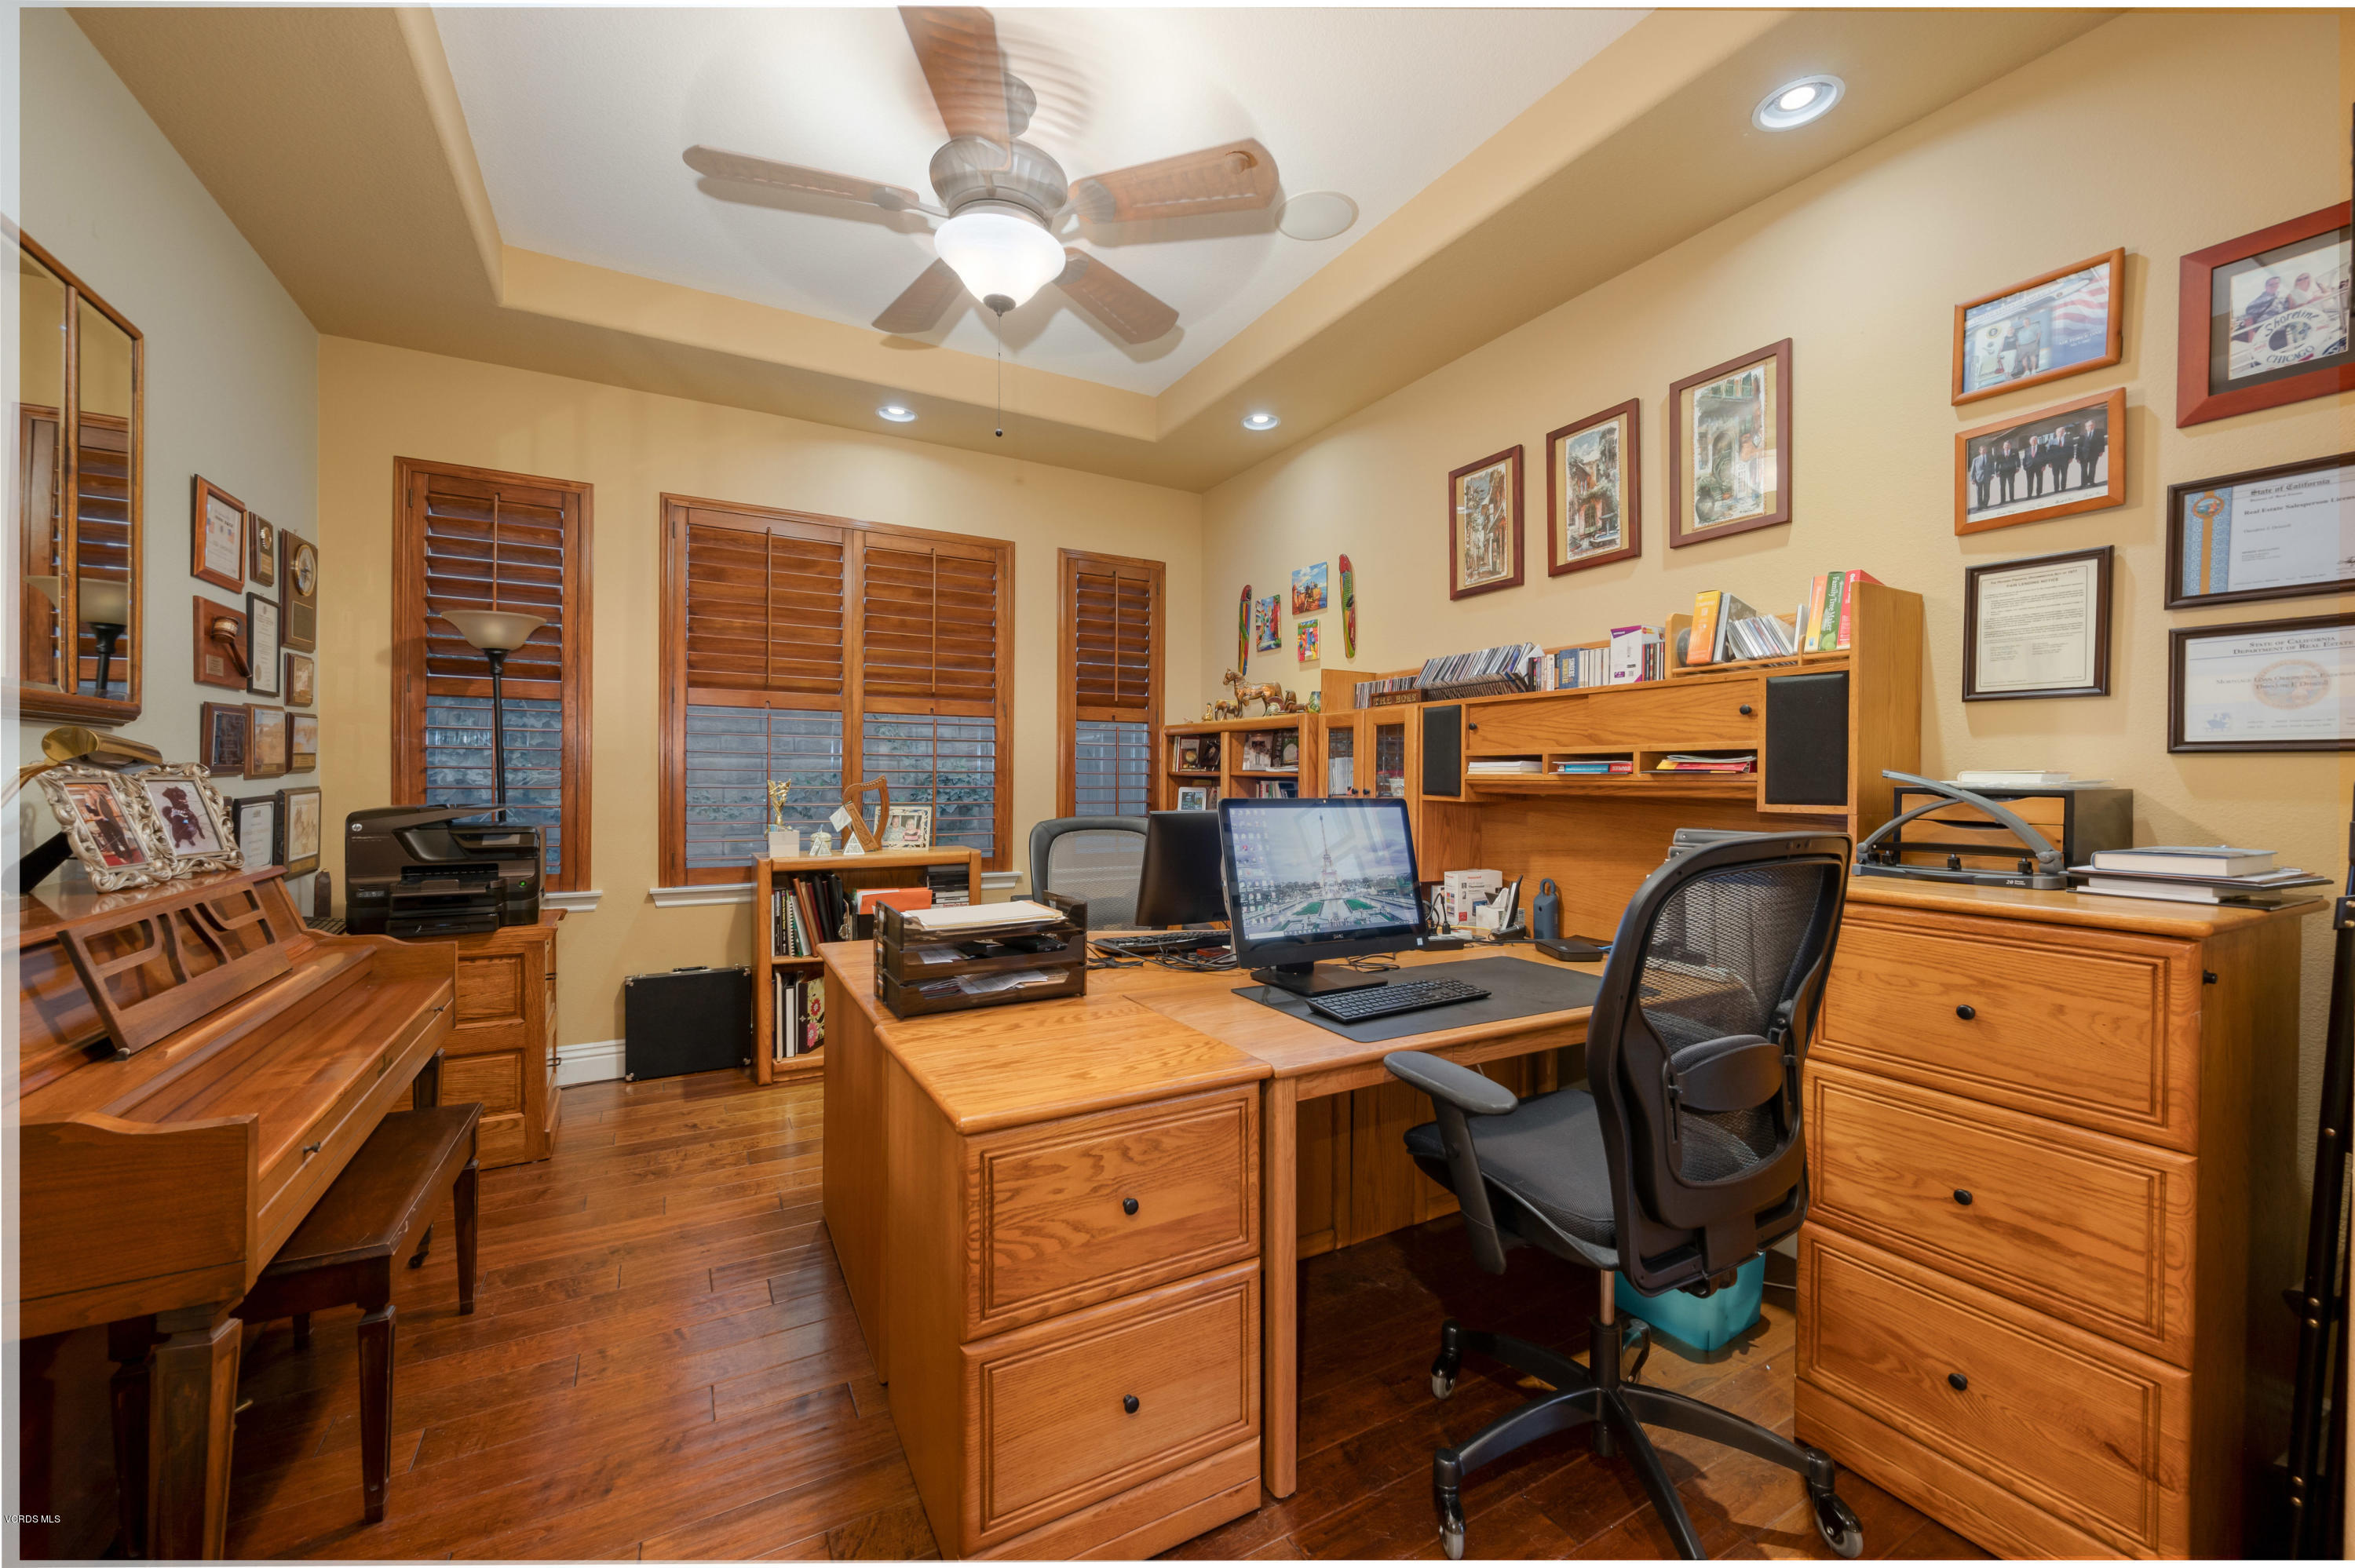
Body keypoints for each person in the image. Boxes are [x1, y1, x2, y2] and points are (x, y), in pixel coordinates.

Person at [2235, 274, 2287, 341]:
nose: (2274, 286)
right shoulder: (2258, 301)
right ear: (2266, 287)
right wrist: (2251, 338)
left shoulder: (2282, 296)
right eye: (2271, 285)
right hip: (2266, 335)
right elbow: (2248, 319)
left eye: (2276, 283)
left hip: (2281, 332)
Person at [2076, 418, 2107, 489]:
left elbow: (2102, 442)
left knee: (2092, 469)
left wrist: (2102, 451)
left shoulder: (2099, 433)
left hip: (2094, 454)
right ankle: (2083, 484)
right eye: (2089, 426)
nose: (2090, 427)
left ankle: (2091, 482)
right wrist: (2077, 457)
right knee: (2084, 470)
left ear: (2094, 425)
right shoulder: (2082, 435)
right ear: (2086, 427)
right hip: (2083, 455)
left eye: (2092, 425)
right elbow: (2079, 446)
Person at [1969, 445, 1993, 512]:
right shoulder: (1975, 460)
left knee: (1987, 492)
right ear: (1980, 451)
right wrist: (1972, 479)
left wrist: (1992, 474)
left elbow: (1992, 466)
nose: (1984, 451)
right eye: (1982, 450)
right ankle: (1979, 505)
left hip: (1987, 477)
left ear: (1986, 451)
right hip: (1978, 478)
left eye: (1985, 450)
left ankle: (1985, 505)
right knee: (1979, 492)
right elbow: (1973, 470)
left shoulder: (1990, 458)